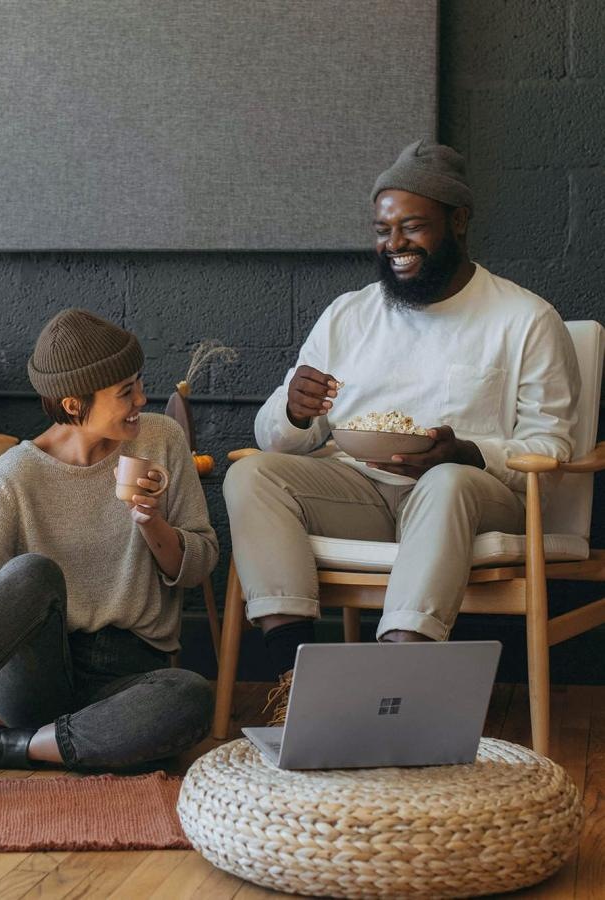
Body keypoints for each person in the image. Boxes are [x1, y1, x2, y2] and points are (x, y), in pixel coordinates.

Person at [224, 139, 580, 721]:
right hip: (360, 491)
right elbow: (277, 439)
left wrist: (468, 452)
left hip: (474, 498)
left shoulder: (524, 319)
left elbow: (552, 448)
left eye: (412, 227)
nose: (394, 244)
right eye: (383, 229)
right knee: (252, 475)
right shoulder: (350, 314)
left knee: (447, 481)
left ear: (458, 222)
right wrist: (295, 410)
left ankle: (393, 687)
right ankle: (297, 686)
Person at [0, 308, 218, 812]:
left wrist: (151, 522)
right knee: (32, 572)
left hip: (129, 675)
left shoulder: (162, 440)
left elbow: (199, 565)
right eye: (125, 392)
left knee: (190, 697)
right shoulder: (14, 475)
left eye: (138, 383)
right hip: (35, 674)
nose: (141, 399)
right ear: (74, 403)